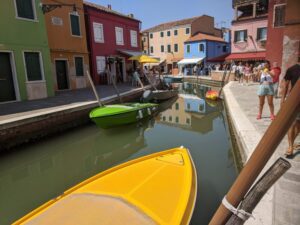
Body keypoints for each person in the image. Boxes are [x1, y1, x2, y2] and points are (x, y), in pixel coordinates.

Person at [281, 61, 300, 158]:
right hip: (294, 100)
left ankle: (292, 143)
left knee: (298, 125)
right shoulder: (292, 69)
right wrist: (283, 99)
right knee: (292, 123)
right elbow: (286, 84)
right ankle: (290, 147)